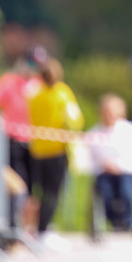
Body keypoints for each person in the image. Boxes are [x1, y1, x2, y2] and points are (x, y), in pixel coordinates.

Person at [0, 46, 46, 233]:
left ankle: (30, 229)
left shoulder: (43, 86)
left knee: (35, 190)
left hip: (39, 144)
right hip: (14, 143)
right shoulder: (10, 83)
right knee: (17, 187)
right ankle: (13, 227)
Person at [28, 56, 84, 249]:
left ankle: (38, 227)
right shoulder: (63, 93)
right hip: (57, 150)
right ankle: (44, 230)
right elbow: (75, 120)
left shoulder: (35, 95)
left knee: (40, 192)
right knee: (52, 193)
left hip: (38, 150)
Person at [87, 93, 132, 233]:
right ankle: (114, 221)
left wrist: (119, 166)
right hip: (104, 173)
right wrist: (104, 165)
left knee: (126, 191)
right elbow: (91, 160)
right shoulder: (94, 133)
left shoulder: (131, 131)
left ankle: (128, 220)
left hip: (126, 172)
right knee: (105, 193)